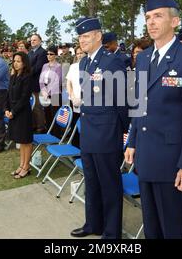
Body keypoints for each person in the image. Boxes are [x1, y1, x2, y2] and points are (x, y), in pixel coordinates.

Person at [124, 0, 182, 239]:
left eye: (158, 16)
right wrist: (132, 141)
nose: (151, 22)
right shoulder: (143, 60)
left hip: (173, 161)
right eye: (148, 17)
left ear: (174, 21)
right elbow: (138, 105)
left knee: (172, 229)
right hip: (146, 157)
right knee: (151, 226)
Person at [70, 17, 128, 239]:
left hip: (106, 132)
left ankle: (112, 233)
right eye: (79, 37)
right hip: (89, 130)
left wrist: (121, 129)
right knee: (92, 181)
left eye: (85, 36)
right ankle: (92, 224)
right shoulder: (84, 63)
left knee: (109, 185)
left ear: (98, 36)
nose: (81, 41)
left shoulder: (112, 61)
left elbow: (121, 99)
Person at [6, 52, 33, 179]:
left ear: (24, 63)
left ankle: (27, 166)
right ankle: (21, 164)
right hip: (13, 112)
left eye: (19, 61)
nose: (16, 63)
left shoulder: (27, 77)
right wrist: (7, 109)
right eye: (14, 61)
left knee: (26, 141)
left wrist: (13, 111)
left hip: (23, 113)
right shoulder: (13, 76)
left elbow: (24, 98)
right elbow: (8, 94)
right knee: (21, 141)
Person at [39, 46, 62, 138]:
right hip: (45, 94)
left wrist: (47, 92)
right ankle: (49, 134)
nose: (48, 56)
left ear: (55, 55)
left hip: (55, 94)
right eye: (47, 54)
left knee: (55, 115)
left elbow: (57, 81)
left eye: (51, 54)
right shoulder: (44, 66)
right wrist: (43, 91)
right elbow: (41, 79)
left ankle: (57, 136)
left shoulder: (59, 66)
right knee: (47, 114)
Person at [66, 46, 86, 147]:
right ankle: (75, 147)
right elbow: (69, 83)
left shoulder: (90, 66)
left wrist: (81, 99)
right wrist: (73, 96)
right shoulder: (73, 66)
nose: (79, 55)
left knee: (84, 126)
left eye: (81, 53)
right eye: (77, 53)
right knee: (74, 124)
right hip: (74, 100)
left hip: (85, 101)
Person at [28, 34, 48, 132]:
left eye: (35, 40)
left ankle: (41, 127)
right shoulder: (30, 52)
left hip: (38, 83)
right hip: (29, 82)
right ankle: (34, 125)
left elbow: (38, 67)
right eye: (31, 40)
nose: (32, 42)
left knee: (38, 106)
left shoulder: (43, 52)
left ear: (40, 41)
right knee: (32, 105)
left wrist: (26, 72)